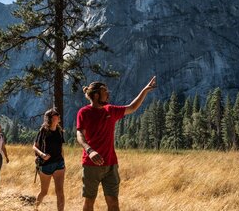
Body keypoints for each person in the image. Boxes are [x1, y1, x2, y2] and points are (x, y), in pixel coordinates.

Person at [76, 76, 157, 211]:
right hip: (91, 164)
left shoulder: (111, 110)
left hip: (111, 164)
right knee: (89, 201)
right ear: (96, 95)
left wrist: (145, 90)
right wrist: (90, 151)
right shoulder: (84, 112)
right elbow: (79, 135)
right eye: (105, 92)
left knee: (113, 202)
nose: (108, 94)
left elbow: (132, 108)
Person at [33, 108, 65, 211]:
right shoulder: (43, 130)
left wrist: (64, 163)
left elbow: (61, 148)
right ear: (50, 118)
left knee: (60, 191)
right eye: (56, 115)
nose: (58, 116)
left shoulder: (59, 130)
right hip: (46, 164)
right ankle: (35, 208)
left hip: (59, 164)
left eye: (58, 115)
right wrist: (42, 155)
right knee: (44, 192)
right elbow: (35, 146)